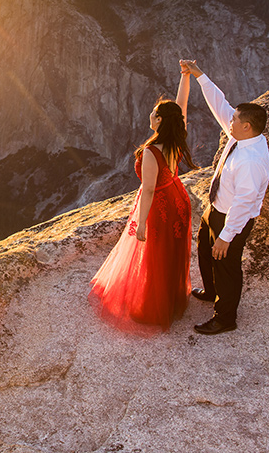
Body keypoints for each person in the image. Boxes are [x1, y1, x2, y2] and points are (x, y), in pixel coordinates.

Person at [88, 65, 197, 334]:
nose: (150, 113)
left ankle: (149, 308)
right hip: (178, 199)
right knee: (169, 253)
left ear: (159, 120)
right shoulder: (176, 137)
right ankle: (170, 301)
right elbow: (181, 105)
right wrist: (185, 77)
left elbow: (148, 189)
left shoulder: (152, 151)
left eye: (154, 112)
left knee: (152, 256)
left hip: (159, 204)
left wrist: (141, 222)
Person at [180, 59, 269, 335]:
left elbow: (244, 204)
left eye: (234, 120)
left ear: (247, 127)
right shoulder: (242, 136)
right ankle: (210, 290)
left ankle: (225, 318)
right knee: (206, 253)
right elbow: (220, 105)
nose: (228, 120)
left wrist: (226, 235)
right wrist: (199, 76)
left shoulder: (251, 160)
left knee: (227, 266)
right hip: (216, 209)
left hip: (232, 218)